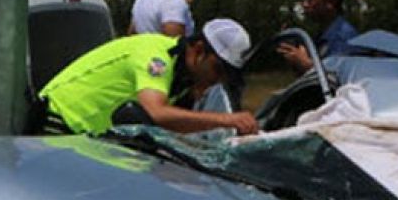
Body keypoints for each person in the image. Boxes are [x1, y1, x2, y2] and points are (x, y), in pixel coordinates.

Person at [39, 19, 258, 136]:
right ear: (199, 51)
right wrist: (228, 120)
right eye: (218, 70)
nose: (217, 81)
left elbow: (173, 128)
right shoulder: (156, 56)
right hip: (58, 125)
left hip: (86, 136)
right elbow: (156, 113)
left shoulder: (181, 80)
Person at [277, 0, 358, 73]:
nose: (305, 4)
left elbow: (338, 80)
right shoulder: (323, 35)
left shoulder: (344, 37)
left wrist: (306, 64)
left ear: (330, 2)